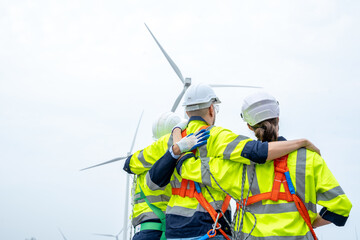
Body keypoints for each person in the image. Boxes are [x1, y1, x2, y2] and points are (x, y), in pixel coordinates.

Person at [138, 83, 320, 240]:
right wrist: (300, 142)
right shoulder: (217, 136)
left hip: (174, 229)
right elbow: (257, 152)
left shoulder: (169, 141)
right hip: (209, 226)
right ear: (211, 109)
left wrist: (177, 132)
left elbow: (140, 172)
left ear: (186, 111)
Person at [175, 91, 352, 239]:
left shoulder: (236, 165)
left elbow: (186, 167)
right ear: (278, 117)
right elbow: (341, 209)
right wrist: (307, 222)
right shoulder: (309, 159)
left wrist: (178, 137)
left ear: (249, 126)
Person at [124, 112, 210, 240]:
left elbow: (128, 164)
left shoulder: (145, 157)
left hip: (144, 230)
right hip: (164, 229)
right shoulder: (173, 152)